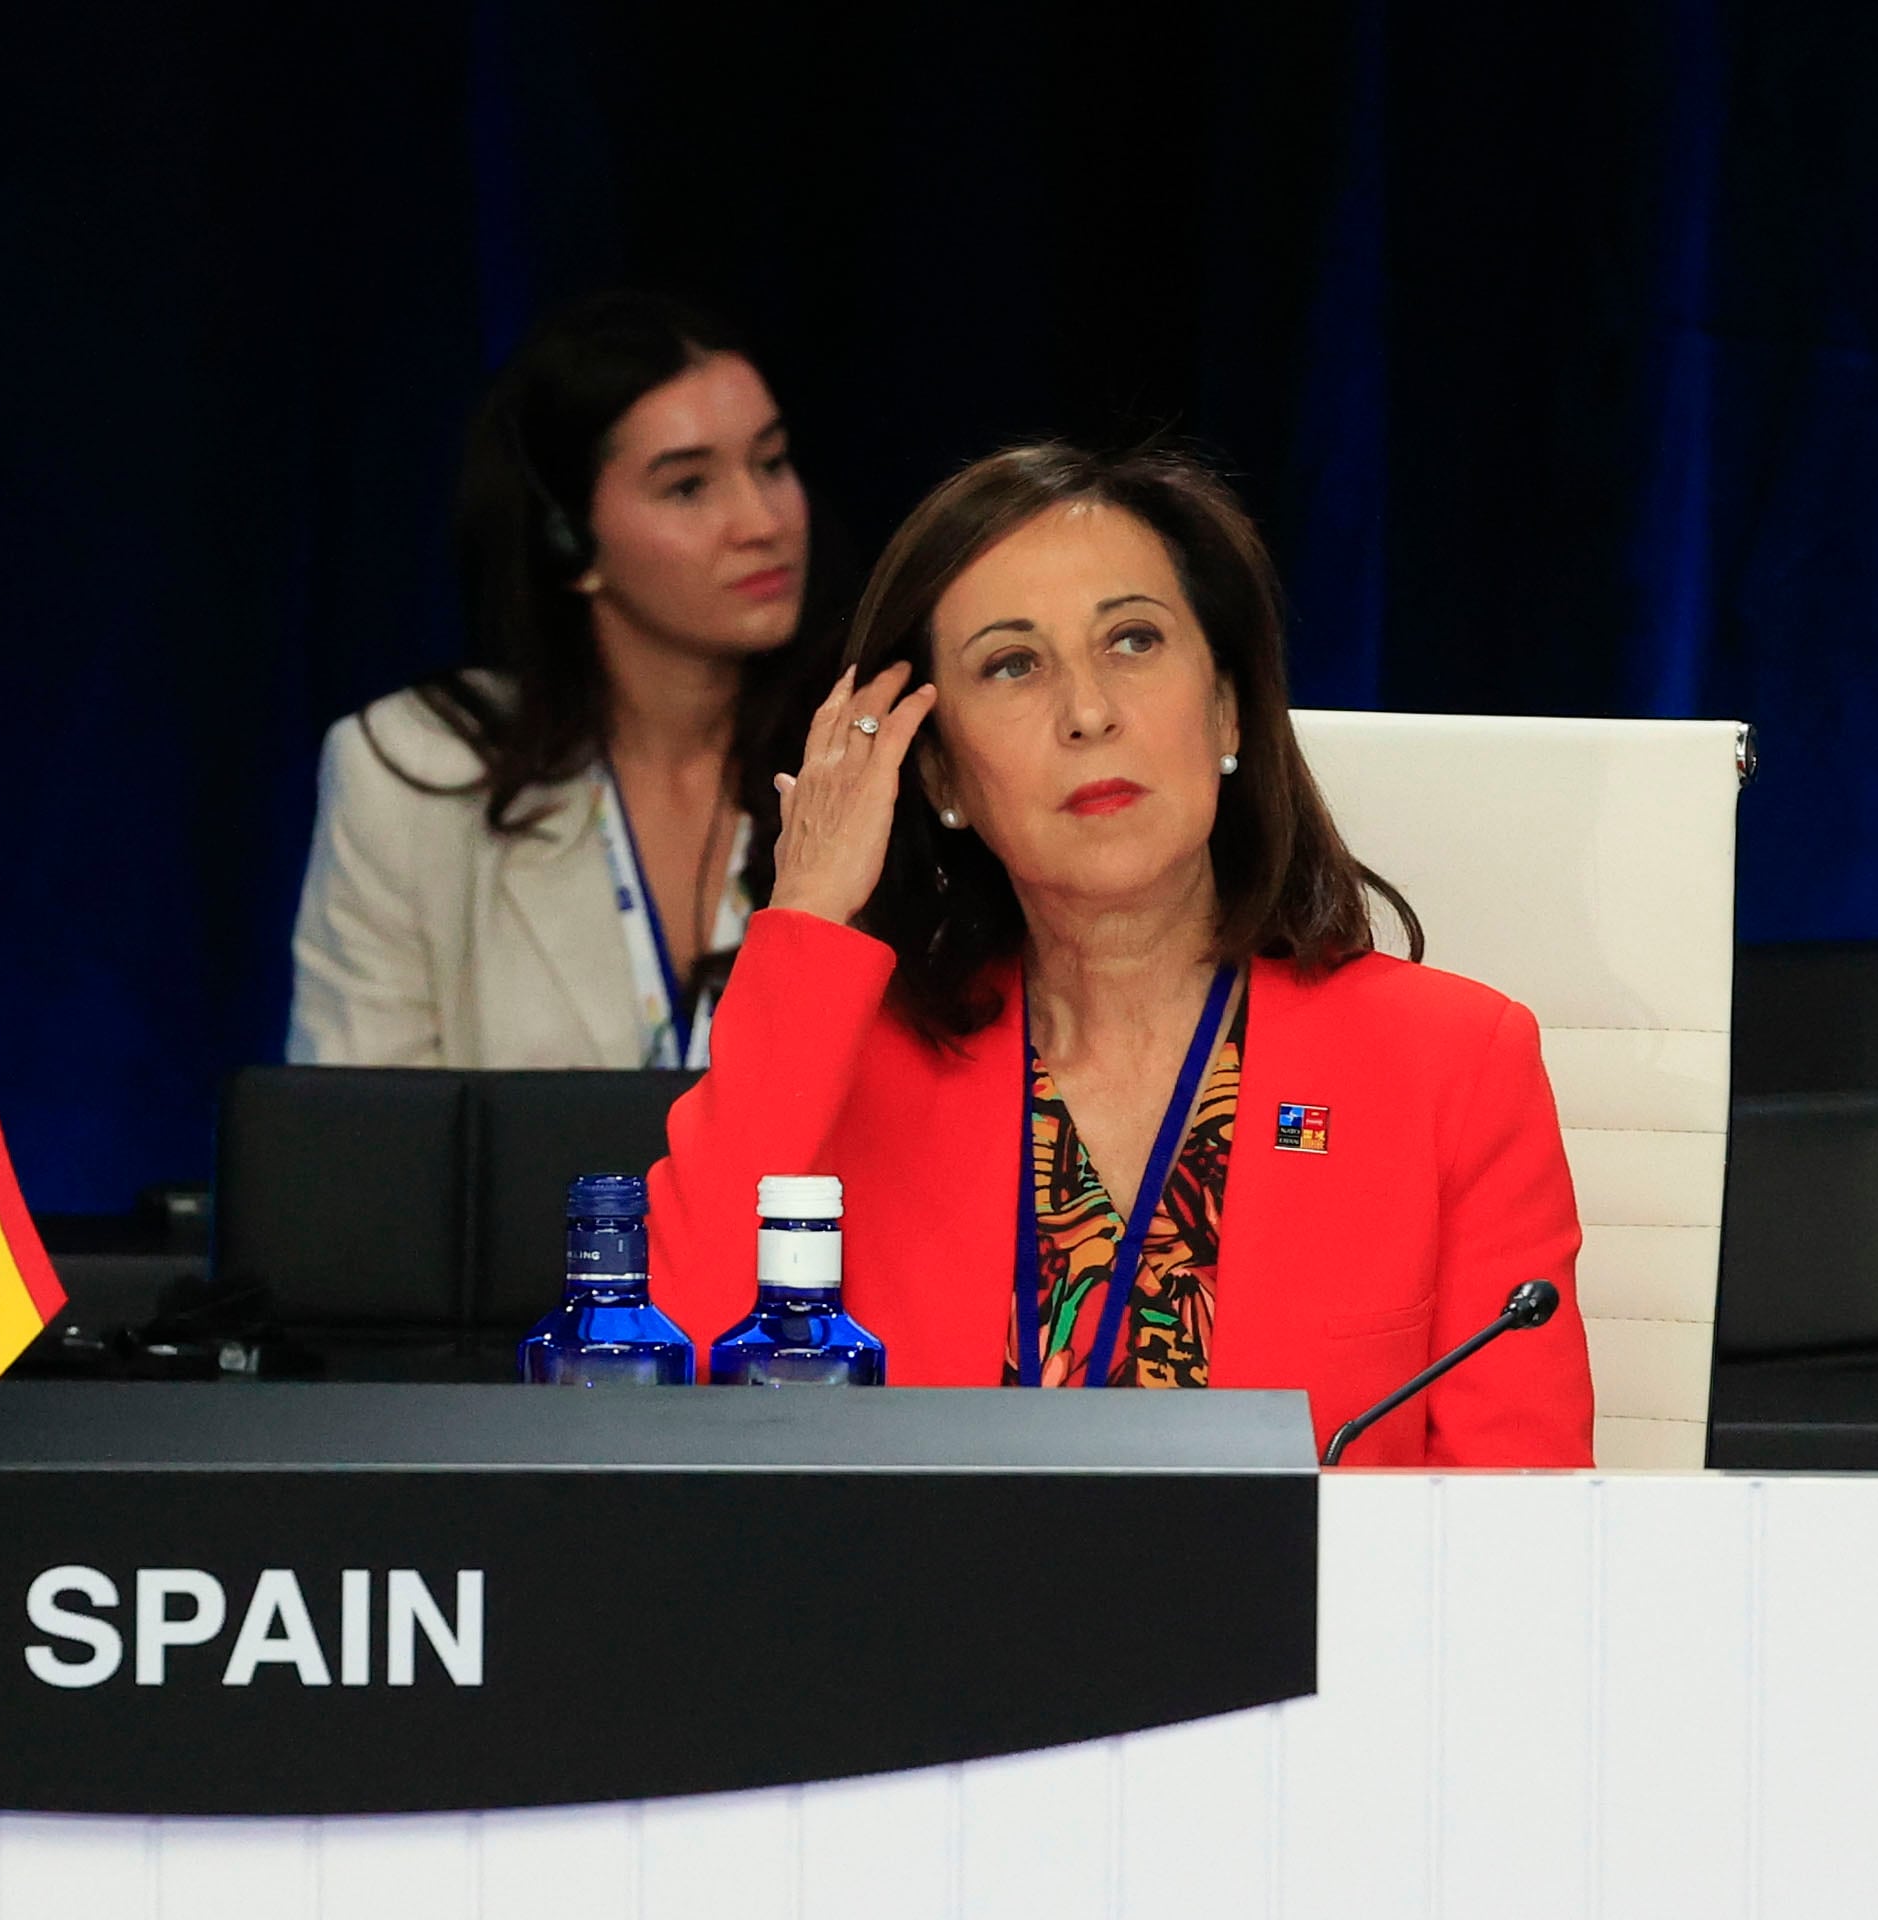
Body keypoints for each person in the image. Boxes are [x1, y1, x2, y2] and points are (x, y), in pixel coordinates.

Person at [646, 442, 1594, 1467]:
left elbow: (1519, 1537)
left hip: (1307, 1627)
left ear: (1227, 709)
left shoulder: (1450, 1065)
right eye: (1011, 665)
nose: (1087, 712)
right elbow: (666, 1396)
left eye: (1132, 641)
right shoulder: (848, 1076)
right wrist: (810, 918)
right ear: (938, 778)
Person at [286, 292, 844, 1068]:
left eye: (771, 463)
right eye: (688, 486)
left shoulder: (864, 761)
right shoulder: (411, 773)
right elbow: (356, 1152)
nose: (762, 522)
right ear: (567, 537)